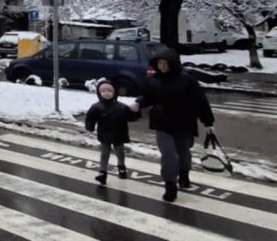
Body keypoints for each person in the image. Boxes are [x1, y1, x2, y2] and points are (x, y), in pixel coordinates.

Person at [129, 47, 215, 202]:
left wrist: (208, 122)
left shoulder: (187, 80)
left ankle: (184, 175)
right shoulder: (154, 80)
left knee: (183, 153)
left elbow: (200, 102)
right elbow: (149, 97)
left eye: (165, 63)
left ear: (173, 63)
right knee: (168, 154)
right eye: (159, 63)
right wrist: (138, 103)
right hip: (162, 123)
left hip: (184, 122)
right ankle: (170, 184)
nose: (162, 66)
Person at [85, 79, 140, 185]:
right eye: (104, 91)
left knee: (120, 152)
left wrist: (135, 112)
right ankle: (103, 173)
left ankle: (121, 168)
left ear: (114, 93)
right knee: (104, 154)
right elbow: (90, 117)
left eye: (110, 91)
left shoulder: (121, 107)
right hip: (104, 134)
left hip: (119, 134)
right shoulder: (97, 107)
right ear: (99, 93)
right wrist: (90, 126)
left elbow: (131, 117)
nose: (107, 93)